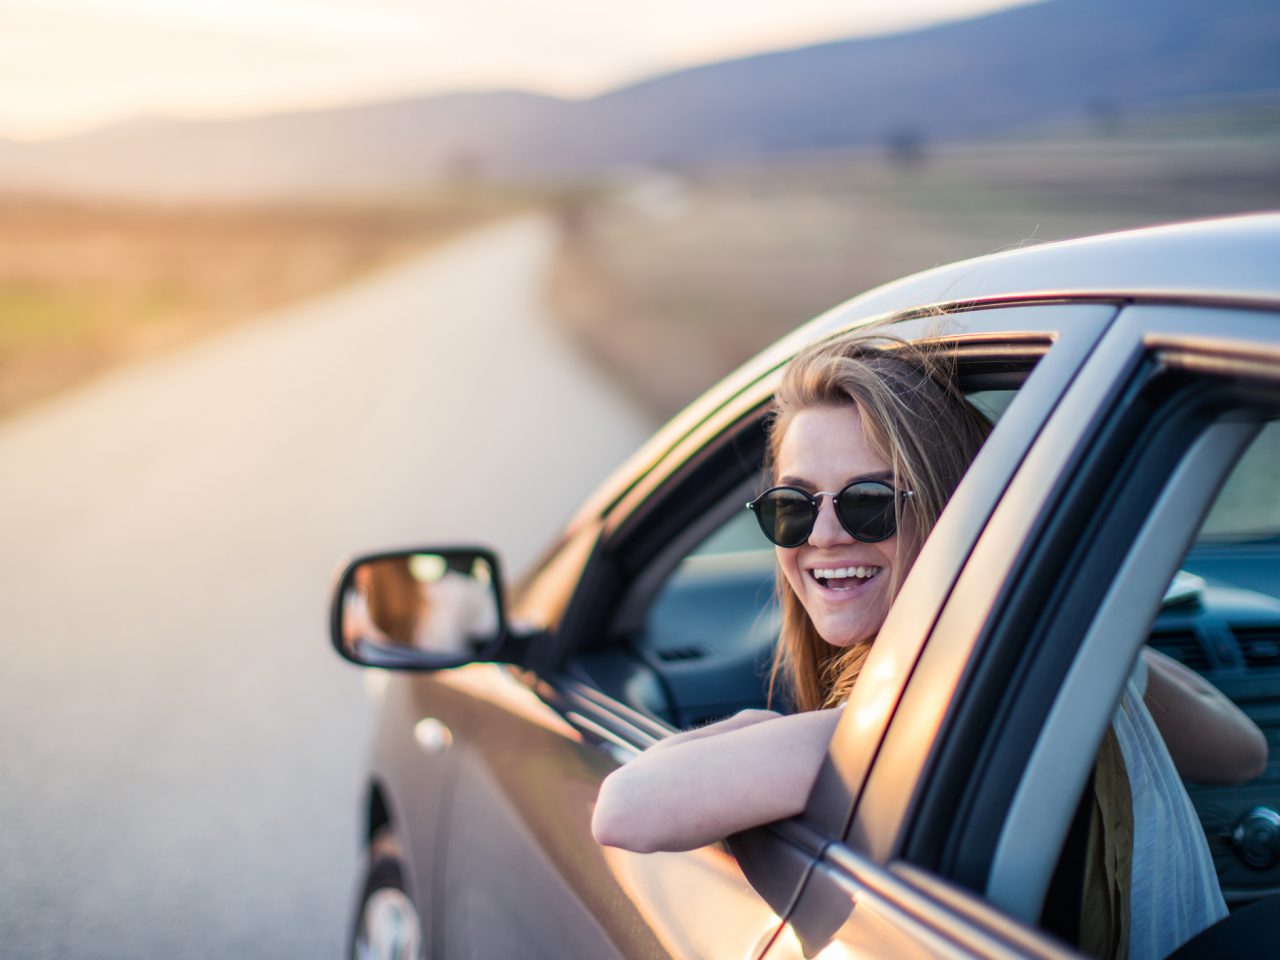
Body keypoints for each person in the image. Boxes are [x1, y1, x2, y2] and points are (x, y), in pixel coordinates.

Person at [591, 329, 1268, 960]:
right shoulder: (1056, 671)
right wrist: (1063, 624)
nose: (823, 536)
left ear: (955, 516)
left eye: (870, 503)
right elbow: (1238, 750)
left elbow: (627, 809)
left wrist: (765, 729)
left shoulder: (907, 730)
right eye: (792, 507)